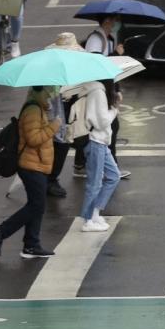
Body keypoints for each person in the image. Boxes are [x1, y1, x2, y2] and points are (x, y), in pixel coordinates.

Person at [0, 86, 59, 259]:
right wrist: (54, 126)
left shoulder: (38, 109)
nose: (50, 97)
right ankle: (0, 231)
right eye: (48, 94)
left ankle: (31, 245)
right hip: (31, 166)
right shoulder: (33, 110)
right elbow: (34, 140)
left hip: (37, 165)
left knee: (38, 206)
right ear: (39, 93)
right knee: (37, 205)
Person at [75, 15, 129, 179]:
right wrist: (116, 54)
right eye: (115, 20)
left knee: (96, 127)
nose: (116, 23)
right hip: (96, 90)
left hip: (105, 89)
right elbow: (96, 64)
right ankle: (108, 168)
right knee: (109, 126)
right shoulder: (96, 39)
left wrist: (116, 89)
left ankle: (82, 164)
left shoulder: (108, 38)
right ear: (107, 21)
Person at [44, 32, 86, 198]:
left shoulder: (69, 67)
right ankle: (50, 178)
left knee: (62, 144)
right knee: (58, 145)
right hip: (52, 113)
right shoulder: (50, 70)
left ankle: (51, 178)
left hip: (64, 111)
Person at [78, 79, 121, 232]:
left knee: (114, 176)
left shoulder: (97, 91)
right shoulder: (98, 92)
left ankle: (95, 213)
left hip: (101, 142)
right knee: (94, 183)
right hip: (96, 142)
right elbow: (102, 122)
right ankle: (88, 220)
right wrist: (115, 109)